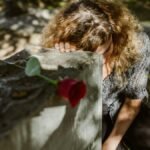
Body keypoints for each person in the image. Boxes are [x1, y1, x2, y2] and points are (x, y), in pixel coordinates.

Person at [41, 0, 150, 149]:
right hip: (92, 116)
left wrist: (111, 143)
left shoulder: (139, 44)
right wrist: (63, 60)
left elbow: (133, 101)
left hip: (125, 108)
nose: (102, 61)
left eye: (105, 51)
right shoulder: (64, 50)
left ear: (114, 33)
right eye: (91, 58)